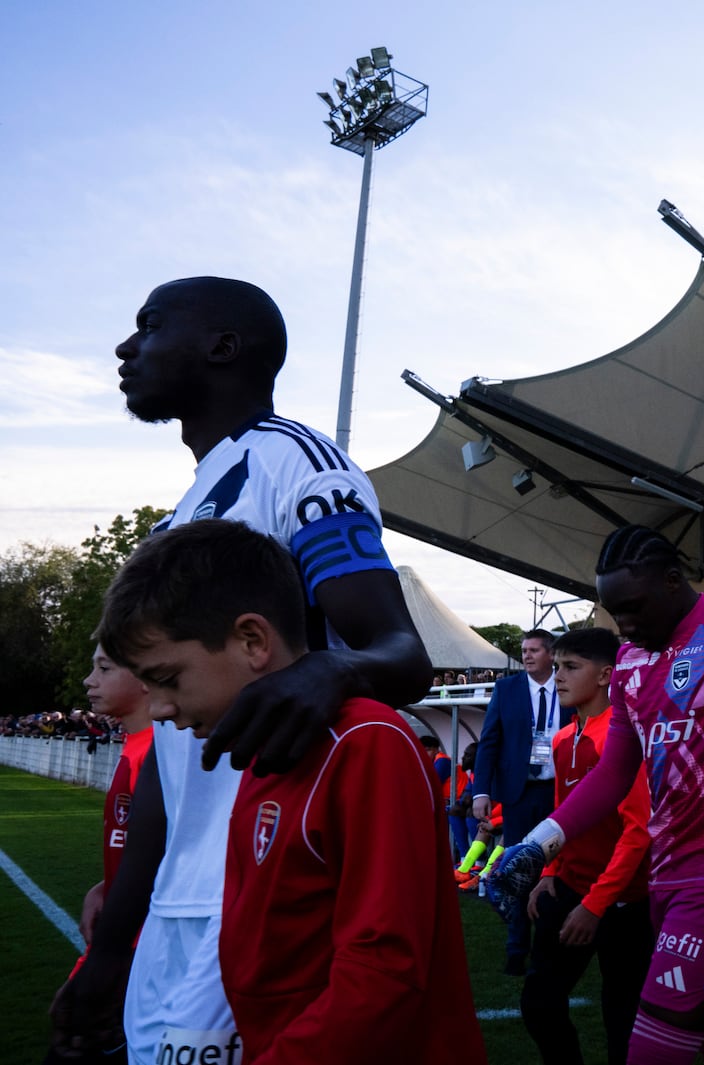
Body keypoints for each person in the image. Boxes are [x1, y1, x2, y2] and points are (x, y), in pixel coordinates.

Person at [52, 277, 430, 1065]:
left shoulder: (299, 465)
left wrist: (329, 671)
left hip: (261, 893)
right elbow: (169, 751)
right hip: (174, 904)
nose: (127, 347)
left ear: (223, 346)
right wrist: (115, 943)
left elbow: (400, 652)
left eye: (148, 326)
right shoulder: (180, 515)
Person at [96, 520, 482, 1064]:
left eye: (169, 679)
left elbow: (383, 972)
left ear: (252, 640)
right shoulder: (265, 749)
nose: (159, 709)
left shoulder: (364, 742)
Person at [491, 525, 704, 1064]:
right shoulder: (632, 663)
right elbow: (613, 775)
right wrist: (536, 845)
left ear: (672, 580)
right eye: (615, 613)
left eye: (634, 608)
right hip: (667, 875)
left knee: (652, 1046)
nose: (627, 625)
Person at [523, 626, 652, 1065]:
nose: (557, 675)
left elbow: (638, 831)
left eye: (571, 667)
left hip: (623, 901)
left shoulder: (620, 741)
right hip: (569, 887)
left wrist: (597, 905)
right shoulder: (563, 739)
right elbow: (562, 816)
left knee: (624, 1020)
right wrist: (547, 872)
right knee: (538, 1003)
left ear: (606, 676)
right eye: (557, 666)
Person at [54, 644, 157, 1065]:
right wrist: (108, 883)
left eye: (104, 667)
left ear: (147, 676)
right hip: (123, 945)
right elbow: (144, 847)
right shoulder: (135, 745)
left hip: (138, 957)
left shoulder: (157, 751)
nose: (88, 680)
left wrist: (104, 963)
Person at [475, 629, 560, 973]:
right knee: (517, 871)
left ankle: (550, 946)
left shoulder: (568, 684)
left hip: (559, 792)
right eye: (524, 650)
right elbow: (489, 742)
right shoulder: (506, 689)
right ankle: (516, 948)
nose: (526, 656)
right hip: (519, 794)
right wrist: (481, 791)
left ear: (550, 654)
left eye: (534, 650)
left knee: (557, 870)